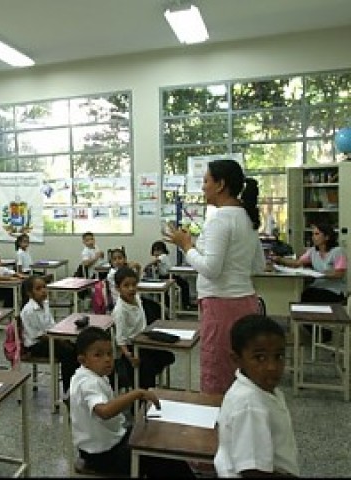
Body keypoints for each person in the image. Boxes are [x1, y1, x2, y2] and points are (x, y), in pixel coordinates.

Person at [164, 158, 266, 395]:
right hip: (246, 303)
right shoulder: (245, 217)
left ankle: (217, 427)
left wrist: (186, 246)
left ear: (220, 185)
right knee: (241, 372)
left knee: (217, 375)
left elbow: (211, 269)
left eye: (206, 181)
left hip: (221, 307)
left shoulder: (220, 219)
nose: (202, 187)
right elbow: (258, 265)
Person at [69, 326, 194, 477]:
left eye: (109, 353)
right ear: (83, 360)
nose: (107, 359)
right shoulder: (88, 383)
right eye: (98, 355)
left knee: (154, 440)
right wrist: (137, 393)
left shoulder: (89, 375)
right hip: (104, 455)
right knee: (161, 454)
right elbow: (104, 411)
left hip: (105, 445)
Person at [214, 314, 299, 477]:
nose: (272, 367)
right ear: (236, 359)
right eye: (260, 358)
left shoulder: (260, 389)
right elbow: (252, 472)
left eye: (279, 356)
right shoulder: (250, 404)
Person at [112, 266, 174, 389]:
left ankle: (153, 389)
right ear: (118, 288)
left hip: (145, 341)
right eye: (126, 285)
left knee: (168, 356)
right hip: (133, 348)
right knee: (147, 370)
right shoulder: (120, 311)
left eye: (134, 285)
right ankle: (141, 400)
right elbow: (120, 339)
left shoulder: (137, 298)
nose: (131, 288)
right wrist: (129, 356)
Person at [20, 275, 78, 394]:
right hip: (36, 345)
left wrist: (62, 336)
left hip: (50, 338)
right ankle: (68, 390)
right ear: (30, 293)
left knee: (76, 347)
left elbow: (52, 325)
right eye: (38, 289)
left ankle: (76, 385)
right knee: (68, 352)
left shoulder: (45, 304)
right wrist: (59, 339)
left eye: (44, 287)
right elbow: (39, 335)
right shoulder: (29, 310)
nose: (43, 291)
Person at [270, 222, 347, 304]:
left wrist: (320, 274)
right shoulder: (313, 251)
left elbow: (340, 273)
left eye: (317, 234)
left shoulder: (338, 251)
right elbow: (297, 263)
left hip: (334, 290)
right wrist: (279, 259)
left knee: (313, 297)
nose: (313, 237)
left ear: (327, 237)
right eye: (313, 234)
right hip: (317, 286)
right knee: (305, 295)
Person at [145, 240, 193, 310]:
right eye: (155, 250)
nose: (157, 252)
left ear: (163, 250)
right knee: (183, 285)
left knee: (184, 284)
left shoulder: (163, 256)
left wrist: (146, 266)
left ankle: (185, 304)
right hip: (165, 276)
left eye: (159, 250)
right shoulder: (160, 257)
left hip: (168, 275)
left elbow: (155, 261)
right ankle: (181, 305)